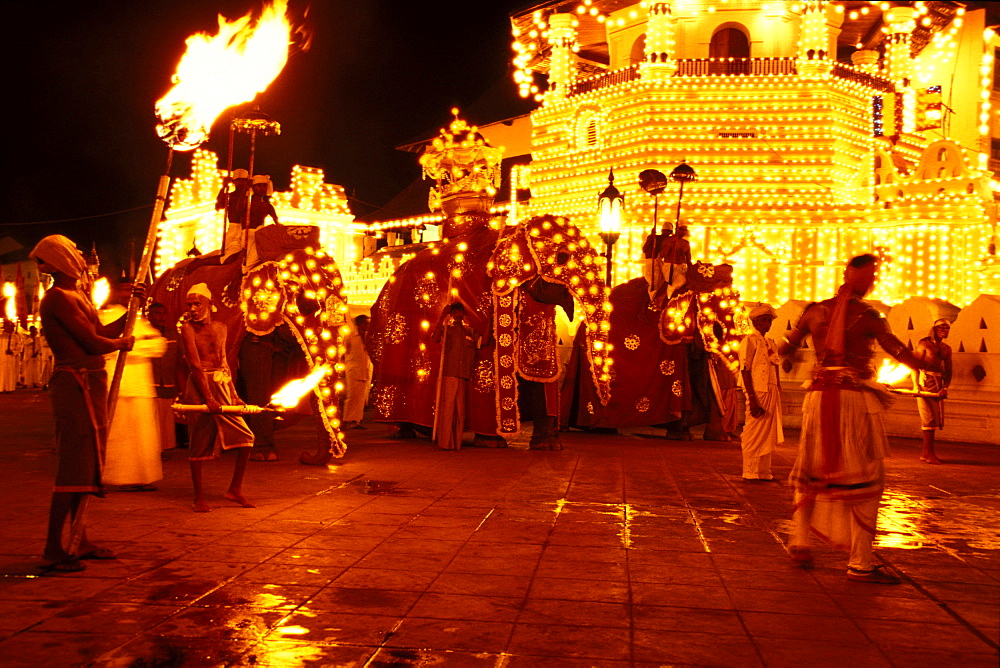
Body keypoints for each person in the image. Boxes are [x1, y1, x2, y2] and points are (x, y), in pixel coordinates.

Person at [778, 254, 926, 584]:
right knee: (867, 479)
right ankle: (861, 562)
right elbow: (898, 351)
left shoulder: (813, 310)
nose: (872, 281)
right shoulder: (869, 315)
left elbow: (786, 347)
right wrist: (927, 366)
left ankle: (799, 543)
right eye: (870, 275)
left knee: (810, 472)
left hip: (817, 396)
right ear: (854, 275)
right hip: (850, 401)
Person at [30, 235, 137, 572]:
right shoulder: (57, 299)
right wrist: (120, 342)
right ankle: (53, 547)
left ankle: (81, 537)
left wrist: (135, 309)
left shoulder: (78, 296)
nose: (80, 256)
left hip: (90, 383)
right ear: (62, 260)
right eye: (74, 252)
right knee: (73, 465)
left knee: (88, 465)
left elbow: (101, 331)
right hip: (73, 385)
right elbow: (93, 342)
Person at [178, 283, 255, 512]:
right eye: (189, 304)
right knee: (198, 441)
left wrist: (234, 395)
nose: (192, 308)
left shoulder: (221, 327)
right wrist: (208, 398)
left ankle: (235, 489)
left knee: (246, 437)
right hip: (199, 387)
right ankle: (198, 496)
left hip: (220, 383)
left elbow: (223, 361)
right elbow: (194, 364)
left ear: (210, 304)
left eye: (197, 304)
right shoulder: (187, 328)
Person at [101, 295, 166, 491]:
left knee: (142, 436)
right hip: (117, 386)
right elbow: (105, 347)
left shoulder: (139, 320)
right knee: (117, 436)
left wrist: (130, 346)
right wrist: (128, 346)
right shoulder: (106, 318)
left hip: (140, 386)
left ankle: (140, 477)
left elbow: (159, 345)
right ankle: (114, 478)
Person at [737, 303, 782, 481]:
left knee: (767, 434)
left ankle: (763, 471)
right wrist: (752, 398)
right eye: (764, 320)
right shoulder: (749, 341)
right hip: (757, 390)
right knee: (753, 431)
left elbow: (775, 368)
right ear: (755, 322)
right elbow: (745, 370)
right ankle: (750, 471)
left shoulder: (771, 343)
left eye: (769, 320)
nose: (767, 324)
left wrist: (778, 390)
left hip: (771, 391)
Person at [432, 302, 480, 450]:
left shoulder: (469, 332)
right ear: (451, 314)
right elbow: (434, 338)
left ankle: (456, 442)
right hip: (449, 373)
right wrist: (442, 317)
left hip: (463, 375)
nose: (458, 315)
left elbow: (482, 341)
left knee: (460, 410)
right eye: (455, 313)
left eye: (460, 313)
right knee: (447, 408)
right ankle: (445, 442)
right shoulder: (447, 330)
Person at [912, 318, 952, 465]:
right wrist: (916, 385)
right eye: (942, 327)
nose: (945, 330)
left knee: (934, 420)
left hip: (937, 385)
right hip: (924, 383)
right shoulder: (924, 344)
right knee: (928, 419)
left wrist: (945, 387)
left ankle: (926, 453)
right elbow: (914, 365)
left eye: (947, 328)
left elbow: (949, 371)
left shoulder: (946, 349)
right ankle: (928, 453)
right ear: (934, 329)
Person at [147, 302, 185, 453]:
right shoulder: (144, 334)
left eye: (163, 313)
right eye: (157, 313)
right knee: (151, 420)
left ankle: (163, 450)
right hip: (149, 384)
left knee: (165, 420)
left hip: (168, 383)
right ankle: (151, 451)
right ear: (149, 315)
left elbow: (184, 356)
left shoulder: (173, 335)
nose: (161, 317)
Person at [342, 314, 371, 429]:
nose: (367, 325)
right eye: (365, 323)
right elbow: (344, 352)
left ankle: (357, 420)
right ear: (359, 324)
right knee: (352, 396)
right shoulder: (350, 336)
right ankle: (347, 419)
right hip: (353, 368)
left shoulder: (368, 336)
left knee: (361, 397)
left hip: (365, 369)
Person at [0, 320, 21, 392]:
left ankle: (9, 388)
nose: (6, 328)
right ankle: (1, 388)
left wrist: (12, 352)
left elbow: (19, 347)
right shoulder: (1, 336)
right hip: (1, 357)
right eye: (5, 326)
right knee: (1, 372)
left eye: (8, 326)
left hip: (10, 357)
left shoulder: (15, 337)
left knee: (10, 372)